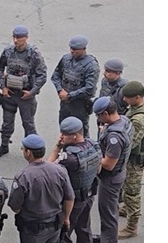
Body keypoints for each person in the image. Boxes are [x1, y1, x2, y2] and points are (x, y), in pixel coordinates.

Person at [0, 25, 48, 159]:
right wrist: (3, 86)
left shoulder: (34, 54)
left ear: (26, 38)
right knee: (7, 123)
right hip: (10, 94)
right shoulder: (8, 51)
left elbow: (42, 75)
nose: (16, 41)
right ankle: (4, 146)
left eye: (19, 38)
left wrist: (32, 92)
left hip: (26, 95)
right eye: (14, 37)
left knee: (28, 124)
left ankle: (32, 150)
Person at [7, 135, 74, 243]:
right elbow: (69, 198)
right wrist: (66, 218)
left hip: (32, 229)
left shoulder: (23, 177)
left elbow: (15, 207)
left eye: (23, 149)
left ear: (28, 153)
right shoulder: (60, 171)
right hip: (55, 226)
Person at [47, 117, 101, 243]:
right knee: (84, 228)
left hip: (73, 201)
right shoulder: (94, 145)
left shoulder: (70, 157)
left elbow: (48, 169)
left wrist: (57, 147)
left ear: (75, 136)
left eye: (65, 134)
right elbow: (98, 169)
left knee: (64, 232)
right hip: (88, 195)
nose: (61, 136)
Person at [93, 97, 133, 243]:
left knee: (107, 213)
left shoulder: (114, 137)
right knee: (111, 209)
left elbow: (109, 164)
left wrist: (94, 155)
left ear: (105, 113)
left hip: (110, 177)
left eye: (99, 115)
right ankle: (107, 237)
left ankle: (109, 240)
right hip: (120, 172)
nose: (98, 119)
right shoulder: (124, 120)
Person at [51, 35, 98, 138]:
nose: (72, 51)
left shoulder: (91, 65)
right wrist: (60, 90)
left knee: (81, 131)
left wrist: (70, 95)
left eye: (76, 49)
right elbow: (55, 76)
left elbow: (89, 89)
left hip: (80, 104)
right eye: (71, 48)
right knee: (65, 128)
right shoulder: (65, 59)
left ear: (84, 49)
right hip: (64, 102)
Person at [119, 81, 144, 239]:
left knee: (132, 193)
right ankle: (126, 208)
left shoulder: (139, 119)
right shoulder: (135, 108)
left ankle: (132, 226)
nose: (124, 100)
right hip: (131, 159)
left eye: (128, 98)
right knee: (125, 187)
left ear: (137, 97)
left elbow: (131, 143)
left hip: (134, 162)